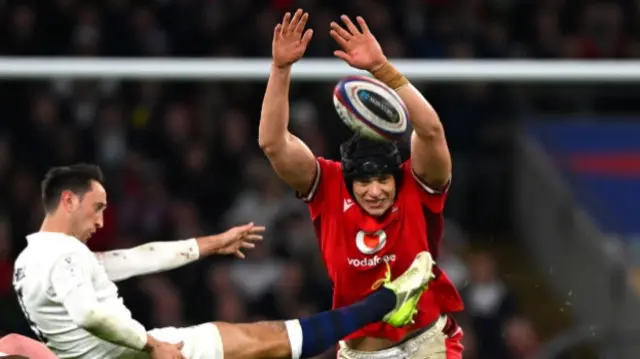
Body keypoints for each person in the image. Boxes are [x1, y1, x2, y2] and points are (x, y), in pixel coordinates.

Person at [13, 163, 435, 359]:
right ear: (68, 200)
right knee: (271, 341)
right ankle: (389, 303)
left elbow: (132, 259)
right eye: (97, 207)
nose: (102, 220)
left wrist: (210, 244)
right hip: (142, 355)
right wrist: (151, 344)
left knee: (263, 341)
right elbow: (87, 313)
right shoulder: (62, 254)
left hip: (133, 352)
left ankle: (387, 304)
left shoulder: (32, 260)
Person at [259, 9, 465, 359]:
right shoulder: (328, 185)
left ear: (396, 175)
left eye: (383, 180)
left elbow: (430, 131)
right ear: (348, 180)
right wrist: (280, 70)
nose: (375, 190)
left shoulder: (417, 185)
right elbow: (273, 143)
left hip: (426, 346)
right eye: (364, 182)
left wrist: (381, 69)